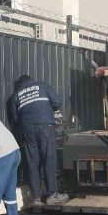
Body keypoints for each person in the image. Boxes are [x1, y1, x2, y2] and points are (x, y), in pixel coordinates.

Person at [7, 75, 69, 206]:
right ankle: (51, 195)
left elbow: (14, 119)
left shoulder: (16, 95)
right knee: (49, 159)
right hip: (45, 126)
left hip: (27, 129)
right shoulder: (42, 85)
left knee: (32, 163)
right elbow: (56, 102)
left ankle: (36, 198)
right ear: (31, 80)